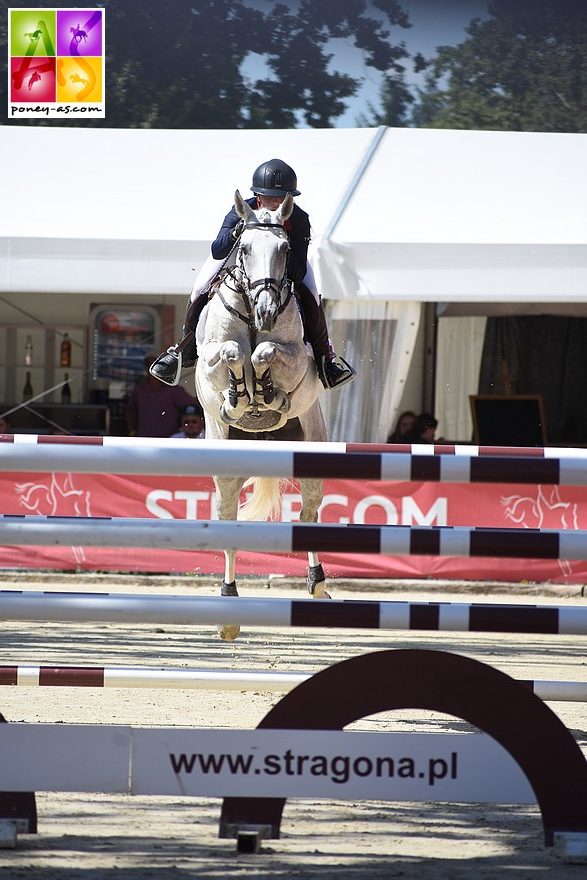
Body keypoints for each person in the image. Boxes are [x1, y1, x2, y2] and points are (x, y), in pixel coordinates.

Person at [149, 158, 355, 391]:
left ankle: (326, 359)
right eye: (271, 197)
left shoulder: (298, 219)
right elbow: (218, 250)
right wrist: (239, 228)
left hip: (280, 261)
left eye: (283, 197)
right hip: (238, 256)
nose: (277, 203)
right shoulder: (241, 210)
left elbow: (298, 272)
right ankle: (182, 352)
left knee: (312, 293)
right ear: (258, 195)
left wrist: (276, 258)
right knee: (201, 287)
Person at [126, 353, 198, 437]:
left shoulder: (173, 390)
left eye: (154, 364)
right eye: (148, 365)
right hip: (144, 440)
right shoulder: (140, 389)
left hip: (168, 441)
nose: (150, 368)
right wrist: (132, 431)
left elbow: (193, 406)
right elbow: (131, 411)